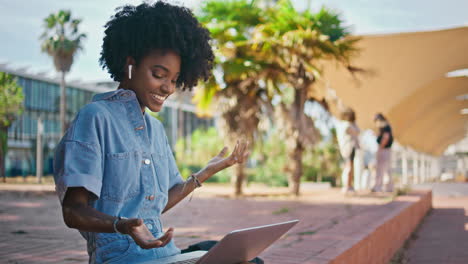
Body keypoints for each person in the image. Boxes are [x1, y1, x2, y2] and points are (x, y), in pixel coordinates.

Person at [53, 2, 252, 263]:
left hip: (164, 254)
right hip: (121, 258)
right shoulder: (96, 118)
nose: (168, 88)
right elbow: (73, 211)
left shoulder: (156, 129)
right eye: (159, 74)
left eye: (174, 79)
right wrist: (124, 225)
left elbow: (156, 204)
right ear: (130, 65)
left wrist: (206, 172)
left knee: (242, 256)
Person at [336, 108, 360, 194]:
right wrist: (354, 123)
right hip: (348, 148)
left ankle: (348, 185)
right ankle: (347, 186)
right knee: (349, 167)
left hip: (345, 148)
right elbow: (357, 131)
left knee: (348, 167)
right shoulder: (347, 125)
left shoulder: (341, 124)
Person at [371, 113, 394, 192]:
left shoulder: (385, 127)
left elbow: (385, 138)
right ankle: (388, 187)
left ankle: (378, 187)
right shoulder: (386, 127)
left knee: (380, 169)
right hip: (386, 150)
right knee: (386, 169)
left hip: (384, 150)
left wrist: (380, 148)